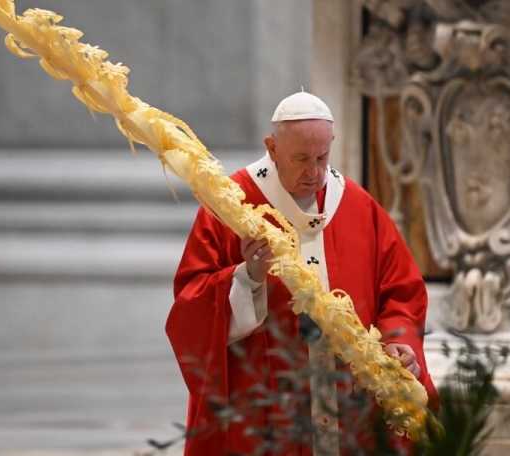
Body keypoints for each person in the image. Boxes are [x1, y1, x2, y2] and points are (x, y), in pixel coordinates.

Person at [166, 91, 438, 455]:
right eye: (301, 159)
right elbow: (190, 307)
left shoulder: (357, 205)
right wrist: (249, 277)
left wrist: (398, 343)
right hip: (267, 411)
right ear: (272, 148)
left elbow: (400, 292)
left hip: (348, 408)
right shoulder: (230, 203)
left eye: (322, 158)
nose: (314, 173)